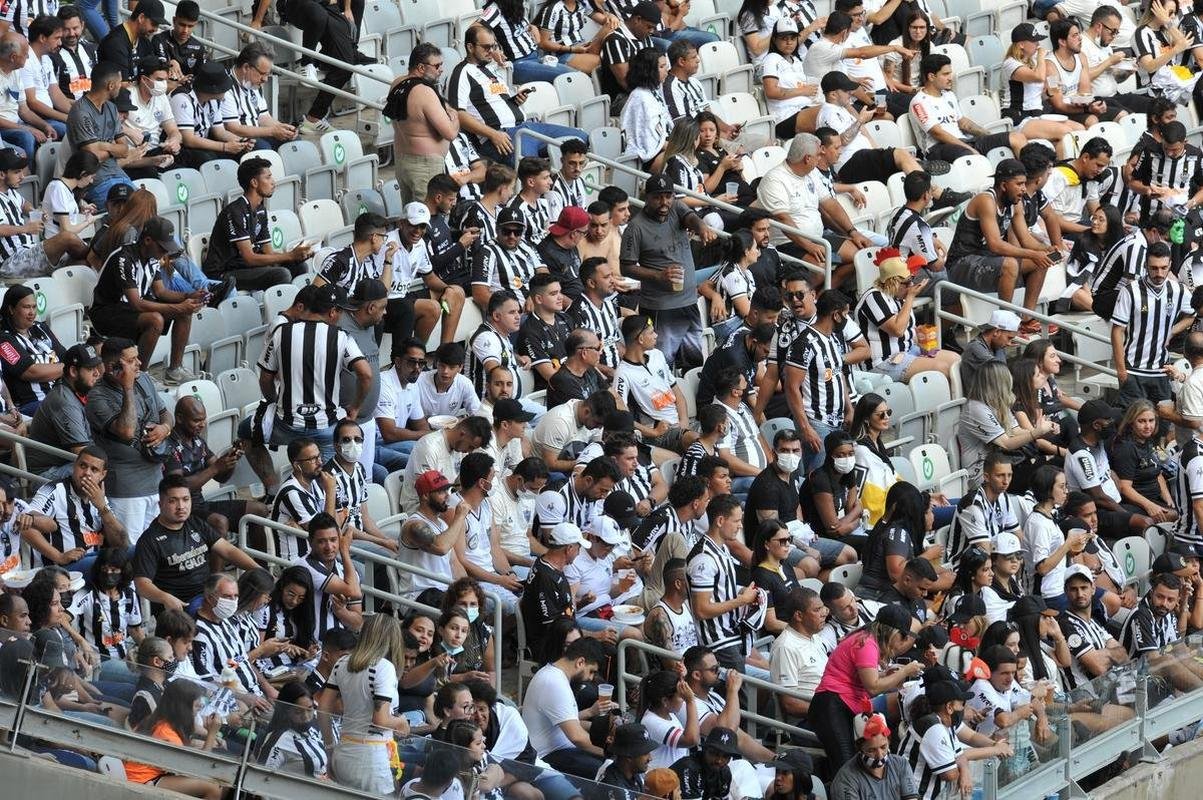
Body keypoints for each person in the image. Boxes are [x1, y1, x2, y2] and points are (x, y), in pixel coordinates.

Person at [448, 24, 585, 165]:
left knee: (580, 139)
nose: (491, 51)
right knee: (534, 169)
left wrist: (516, 101)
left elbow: (497, 102)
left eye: (493, 46)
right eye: (486, 47)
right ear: (470, 47)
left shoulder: (490, 69)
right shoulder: (462, 73)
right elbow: (459, 114)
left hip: (527, 127)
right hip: (503, 135)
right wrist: (493, 134)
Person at [809, 603, 923, 773]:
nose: (904, 641)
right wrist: (905, 671)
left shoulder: (867, 639)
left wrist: (887, 675)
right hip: (832, 705)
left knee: (855, 764)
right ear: (892, 632)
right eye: (903, 636)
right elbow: (873, 687)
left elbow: (868, 679)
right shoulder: (866, 644)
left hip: (842, 705)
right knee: (846, 767)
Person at [946, 159, 1054, 333]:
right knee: (1011, 263)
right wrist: (1033, 254)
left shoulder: (1015, 203)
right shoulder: (986, 200)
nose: (1024, 189)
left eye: (1024, 184)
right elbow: (995, 244)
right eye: (1019, 184)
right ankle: (1005, 326)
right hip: (960, 264)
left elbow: (1026, 240)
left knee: (1041, 262)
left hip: (988, 261)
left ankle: (1026, 319)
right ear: (1004, 185)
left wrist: (1046, 249)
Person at [133, 475, 258, 613]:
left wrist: (258, 571)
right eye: (173, 501)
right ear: (161, 504)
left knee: (256, 599)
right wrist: (165, 598)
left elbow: (228, 550)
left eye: (185, 499)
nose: (181, 506)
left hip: (209, 595)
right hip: (181, 607)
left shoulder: (195, 523)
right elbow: (142, 584)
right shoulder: (149, 540)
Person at [317, 614, 411, 793]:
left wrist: (330, 750)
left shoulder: (342, 663)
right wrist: (401, 723)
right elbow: (380, 720)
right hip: (371, 758)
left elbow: (322, 709)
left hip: (344, 751)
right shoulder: (384, 668)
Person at [203, 157, 309, 289]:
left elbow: (268, 252)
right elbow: (249, 258)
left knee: (299, 266)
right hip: (223, 274)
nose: (273, 182)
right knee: (281, 274)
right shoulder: (235, 212)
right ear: (254, 182)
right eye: (268, 177)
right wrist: (289, 256)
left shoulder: (261, 211)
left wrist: (295, 256)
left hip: (244, 267)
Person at [855, 249, 959, 381]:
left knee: (956, 361)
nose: (911, 285)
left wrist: (919, 336)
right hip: (883, 361)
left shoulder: (899, 297)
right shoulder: (873, 298)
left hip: (909, 351)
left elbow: (906, 331)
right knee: (941, 369)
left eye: (912, 280)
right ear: (893, 282)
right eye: (907, 282)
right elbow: (897, 330)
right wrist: (910, 297)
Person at [1113, 241, 1194, 410]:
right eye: (1154, 268)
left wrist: (1171, 331)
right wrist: (1121, 371)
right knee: (1133, 424)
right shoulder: (1130, 291)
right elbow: (1117, 331)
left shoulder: (1179, 291)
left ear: (1170, 265)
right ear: (1145, 265)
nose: (1159, 273)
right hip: (1134, 370)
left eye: (1164, 268)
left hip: (1161, 370)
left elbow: (1191, 315)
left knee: (1161, 425)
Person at [909, 52, 1027, 161]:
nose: (951, 77)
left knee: (1016, 138)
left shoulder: (949, 95)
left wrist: (989, 136)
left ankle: (1029, 177)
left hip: (964, 142)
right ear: (931, 77)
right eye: (945, 74)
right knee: (971, 156)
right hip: (938, 149)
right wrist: (969, 148)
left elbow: (964, 123)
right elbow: (937, 133)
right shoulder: (918, 102)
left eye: (950, 73)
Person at [1064, 399, 1155, 539]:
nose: (1112, 423)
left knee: (1163, 515)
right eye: (1108, 420)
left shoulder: (1098, 441)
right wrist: (1125, 513)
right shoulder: (1081, 454)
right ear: (1096, 425)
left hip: (1114, 504)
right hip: (1098, 511)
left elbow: (1109, 472)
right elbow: (1098, 497)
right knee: (1144, 522)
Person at [24, 445, 123, 572]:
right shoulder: (54, 490)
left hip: (94, 565)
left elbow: (120, 543)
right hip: (61, 570)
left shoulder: (100, 498)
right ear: (74, 466)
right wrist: (59, 556)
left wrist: (103, 508)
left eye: (94, 470)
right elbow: (26, 526)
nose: (87, 473)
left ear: (102, 475)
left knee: (129, 553)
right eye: (83, 466)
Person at [958, 361, 1055, 490]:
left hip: (1001, 465)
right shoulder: (976, 409)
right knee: (1047, 478)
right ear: (999, 383)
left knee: (1052, 468)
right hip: (982, 475)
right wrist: (1036, 432)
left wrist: (1044, 429)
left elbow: (1015, 431)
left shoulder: (997, 402)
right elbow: (1006, 443)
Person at [785, 289, 853, 472]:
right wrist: (805, 428)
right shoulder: (804, 343)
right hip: (816, 422)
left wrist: (849, 408)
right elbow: (791, 387)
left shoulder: (833, 339)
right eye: (845, 314)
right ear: (836, 315)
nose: (846, 319)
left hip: (837, 422)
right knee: (817, 479)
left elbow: (838, 375)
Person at [521, 636, 608, 777]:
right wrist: (612, 752)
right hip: (547, 756)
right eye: (591, 671)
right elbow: (577, 737)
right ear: (580, 662)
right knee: (607, 770)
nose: (591, 678)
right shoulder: (554, 683)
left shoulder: (555, 676)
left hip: (560, 750)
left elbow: (571, 723)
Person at [123, 679, 224, 799]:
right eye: (197, 705)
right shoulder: (167, 733)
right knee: (212, 787)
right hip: (140, 782)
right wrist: (211, 734)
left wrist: (202, 741)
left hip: (143, 776)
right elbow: (199, 770)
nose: (200, 708)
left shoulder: (160, 721)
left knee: (223, 782)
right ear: (183, 708)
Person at [397, 470, 474, 597]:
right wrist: (459, 516)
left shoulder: (443, 524)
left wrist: (470, 590)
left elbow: (454, 563)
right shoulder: (413, 525)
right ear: (425, 496)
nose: (447, 496)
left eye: (447, 491)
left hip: (444, 593)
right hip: (419, 596)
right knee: (460, 614)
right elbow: (441, 547)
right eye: (441, 492)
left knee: (477, 611)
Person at [170, 60, 255, 168]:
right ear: (213, 89)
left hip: (203, 144)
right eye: (224, 88)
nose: (227, 90)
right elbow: (188, 140)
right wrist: (225, 147)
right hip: (181, 149)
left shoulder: (214, 100)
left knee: (242, 153)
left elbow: (219, 131)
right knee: (208, 159)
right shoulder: (182, 98)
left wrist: (241, 141)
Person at [398, 416, 492, 514]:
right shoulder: (429, 447)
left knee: (481, 508)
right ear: (462, 434)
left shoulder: (460, 448)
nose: (470, 451)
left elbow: (461, 485)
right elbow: (428, 495)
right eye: (470, 446)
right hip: (420, 507)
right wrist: (457, 509)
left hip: (445, 501)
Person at [947, 452, 1023, 569]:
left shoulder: (1003, 497)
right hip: (965, 567)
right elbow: (984, 550)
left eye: (1009, 475)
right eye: (1000, 475)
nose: (1006, 481)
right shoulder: (973, 506)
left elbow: (1018, 536)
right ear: (986, 477)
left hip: (994, 561)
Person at [296, 513, 364, 636]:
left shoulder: (347, 572)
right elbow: (353, 591)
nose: (329, 547)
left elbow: (357, 624)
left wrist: (342, 612)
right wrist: (344, 552)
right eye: (321, 541)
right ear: (310, 542)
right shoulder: (305, 566)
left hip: (341, 648)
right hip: (311, 646)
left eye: (333, 540)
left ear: (339, 539)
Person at [769, 587, 829, 722]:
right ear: (799, 616)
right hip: (811, 720)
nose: (824, 613)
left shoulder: (815, 636)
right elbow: (790, 704)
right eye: (817, 610)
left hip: (831, 706)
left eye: (822, 608)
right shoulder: (785, 647)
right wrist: (831, 711)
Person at [1112, 400, 1178, 522]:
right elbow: (1124, 487)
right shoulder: (1126, 447)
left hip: (1156, 497)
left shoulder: (1147, 440)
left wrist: (1168, 498)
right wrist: (1149, 506)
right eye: (1142, 421)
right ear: (1131, 422)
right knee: (1178, 516)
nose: (1148, 426)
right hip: (1139, 503)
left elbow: (1157, 472)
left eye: (1151, 421)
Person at [220, 44, 295, 150]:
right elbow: (233, 128)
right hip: (237, 139)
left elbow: (263, 117)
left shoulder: (254, 83)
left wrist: (284, 129)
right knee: (263, 147)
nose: (265, 79)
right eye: (262, 74)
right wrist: (272, 131)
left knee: (293, 141)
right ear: (246, 67)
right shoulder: (226, 86)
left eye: (267, 74)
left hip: (258, 133)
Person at [829, 712, 918, 798]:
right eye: (871, 750)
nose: (879, 756)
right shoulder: (846, 779)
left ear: (889, 741)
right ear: (859, 749)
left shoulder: (900, 764)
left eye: (883, 747)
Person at [255, 681, 328, 780]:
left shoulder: (313, 726)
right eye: (298, 712)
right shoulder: (278, 741)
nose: (306, 717)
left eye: (310, 709)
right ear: (286, 711)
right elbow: (261, 780)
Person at [150, 0, 206, 84]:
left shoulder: (199, 48)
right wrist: (169, 63)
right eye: (182, 25)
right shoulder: (159, 39)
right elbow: (154, 71)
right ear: (174, 20)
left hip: (187, 91)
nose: (185, 30)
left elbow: (201, 77)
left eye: (190, 26)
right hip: (163, 88)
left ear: (196, 24)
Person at [52, 7, 98, 102]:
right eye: (66, 29)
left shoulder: (92, 49)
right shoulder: (52, 56)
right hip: (69, 111)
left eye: (75, 28)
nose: (71, 33)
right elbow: (53, 95)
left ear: (82, 25)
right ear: (59, 29)